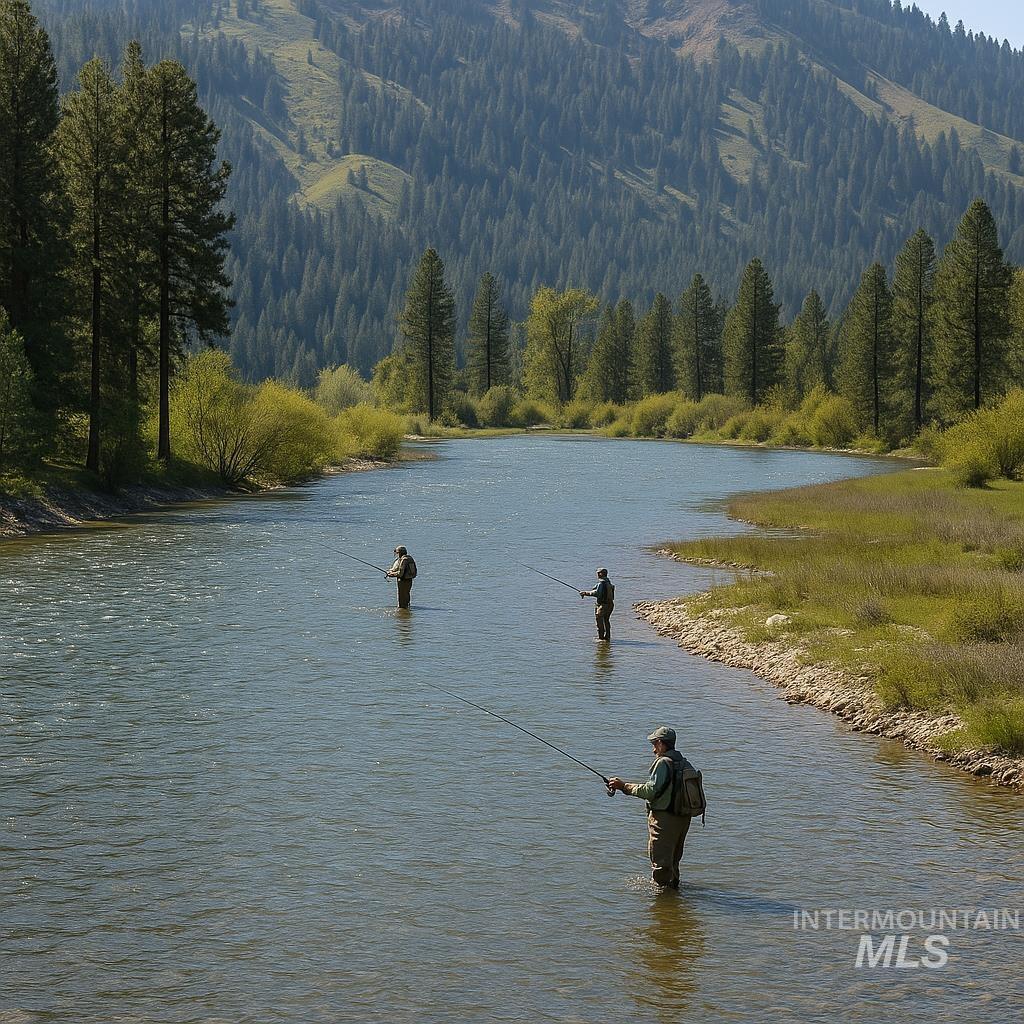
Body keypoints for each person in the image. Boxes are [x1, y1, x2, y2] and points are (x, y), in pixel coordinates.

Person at [607, 727, 693, 890]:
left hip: (664, 819)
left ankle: (662, 899)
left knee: (660, 861)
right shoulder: (682, 761)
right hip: (682, 817)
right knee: (674, 859)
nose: (653, 749)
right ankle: (674, 892)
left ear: (660, 743)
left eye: (654, 744)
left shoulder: (663, 762)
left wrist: (624, 786)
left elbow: (650, 791)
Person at [580, 567, 614, 641]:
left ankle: (601, 638)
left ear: (601, 574)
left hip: (603, 605)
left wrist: (585, 593)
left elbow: (596, 593)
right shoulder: (609, 583)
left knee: (599, 620)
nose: (597, 574)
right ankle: (607, 637)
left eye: (598, 573)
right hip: (610, 604)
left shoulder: (601, 583)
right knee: (606, 620)